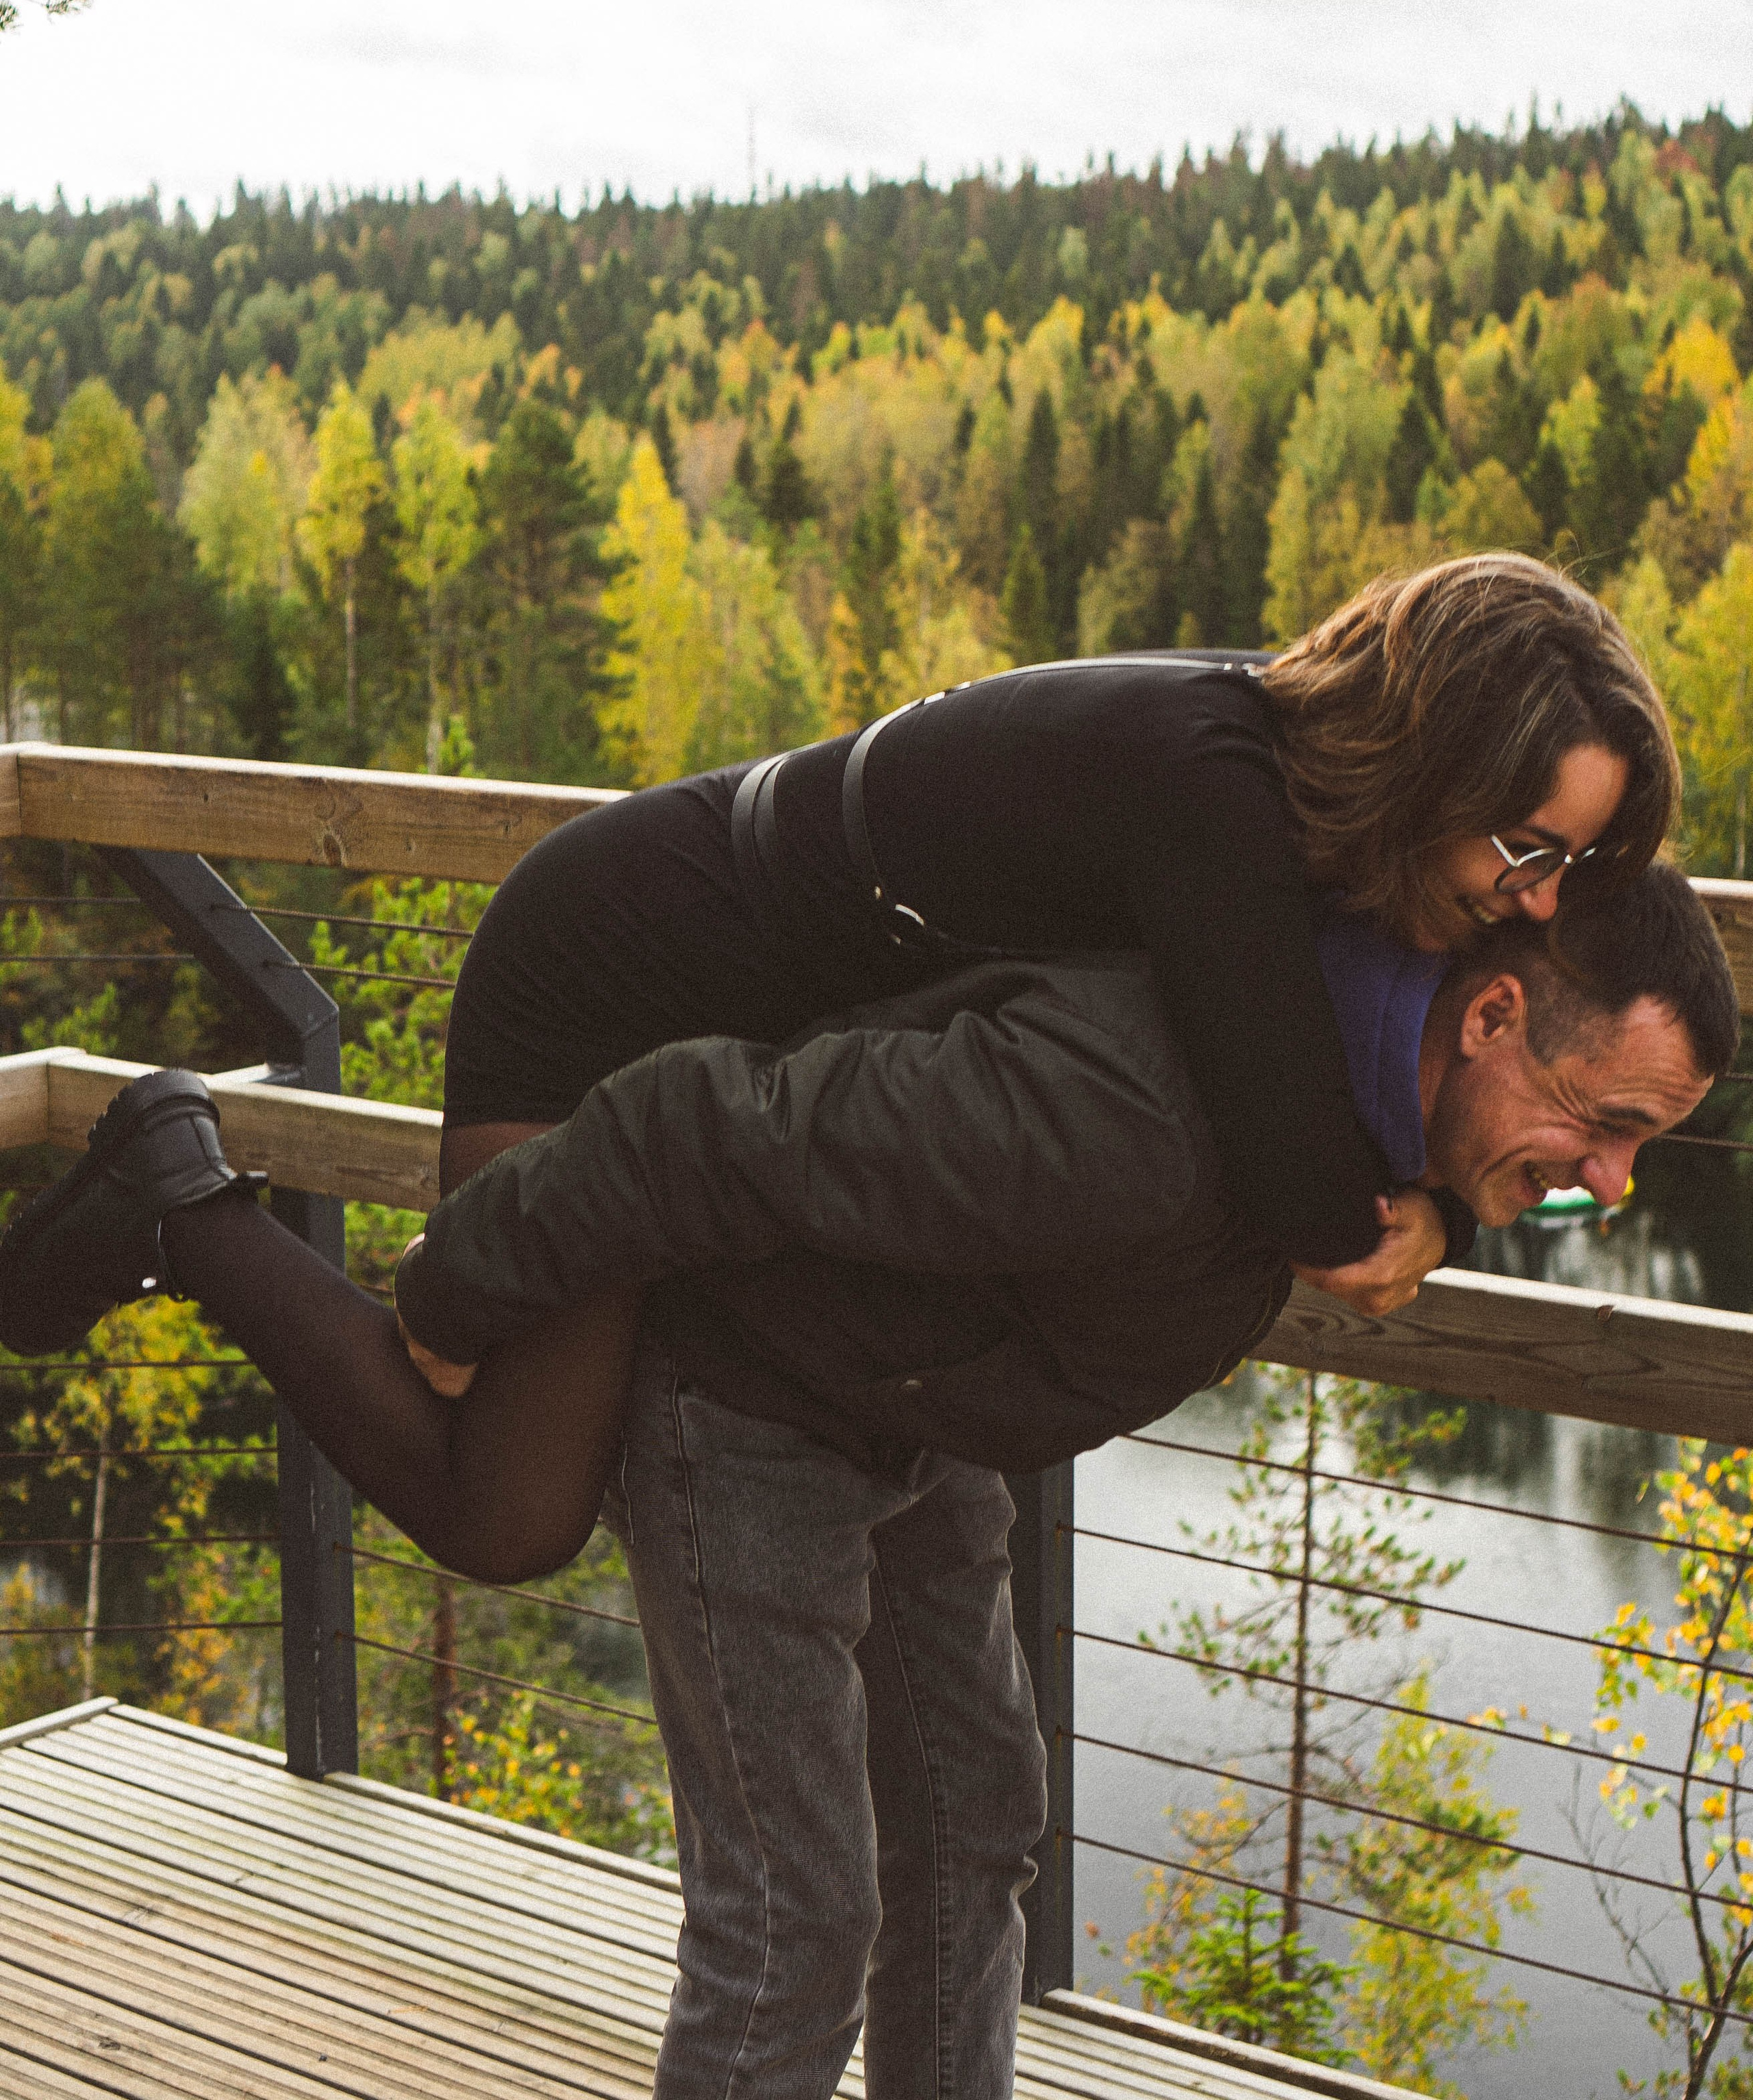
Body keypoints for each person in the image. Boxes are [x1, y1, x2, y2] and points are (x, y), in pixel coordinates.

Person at [0, 865, 1735, 2099]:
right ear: (1493, 1012)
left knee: (973, 1817)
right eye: (1605, 1125)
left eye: (1636, 1159)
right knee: (797, 1914)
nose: (1603, 1181)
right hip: (746, 1408)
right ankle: (188, 1211)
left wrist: (1422, 1198)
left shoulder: (1335, 1101)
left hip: (914, 1415)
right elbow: (696, 1127)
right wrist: (457, 1295)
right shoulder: (1119, 1102)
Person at [438, 551, 1680, 1323]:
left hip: (750, 1014)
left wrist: (1451, 1199)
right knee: (507, 1494)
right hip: (623, 949)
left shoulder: (1314, 801)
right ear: (1434, 769)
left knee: (582, 1429)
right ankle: (231, 1205)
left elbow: (1352, 1092)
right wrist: (1448, 1217)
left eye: (1567, 865)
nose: (1540, 903)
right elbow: (1311, 1194)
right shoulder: (1217, 794)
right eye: (1528, 849)